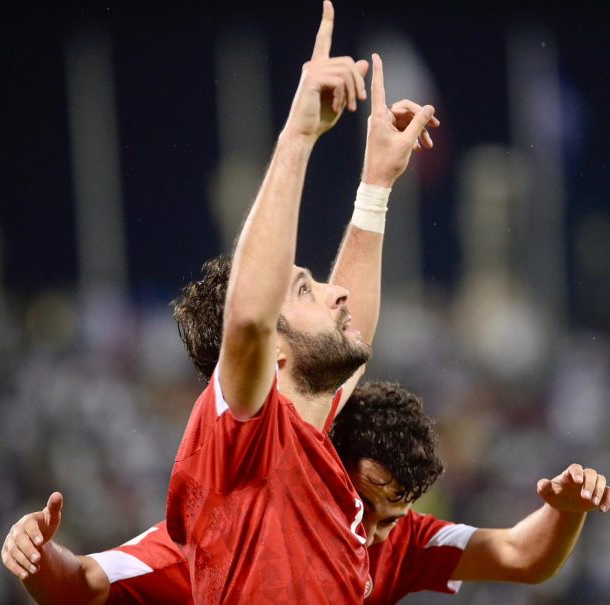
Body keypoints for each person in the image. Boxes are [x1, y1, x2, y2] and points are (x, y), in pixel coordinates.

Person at [161, 0, 438, 601]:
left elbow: (354, 331)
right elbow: (250, 317)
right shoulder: (242, 433)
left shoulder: (312, 440)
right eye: (306, 289)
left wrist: (376, 186)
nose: (337, 291)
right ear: (273, 353)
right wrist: (300, 133)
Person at [1, 380, 610, 604]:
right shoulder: (217, 543)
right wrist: (35, 554)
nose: (371, 535)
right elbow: (80, 585)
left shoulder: (398, 544)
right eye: (365, 508)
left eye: (391, 518)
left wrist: (564, 512)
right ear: (322, 470)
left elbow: (523, 556)